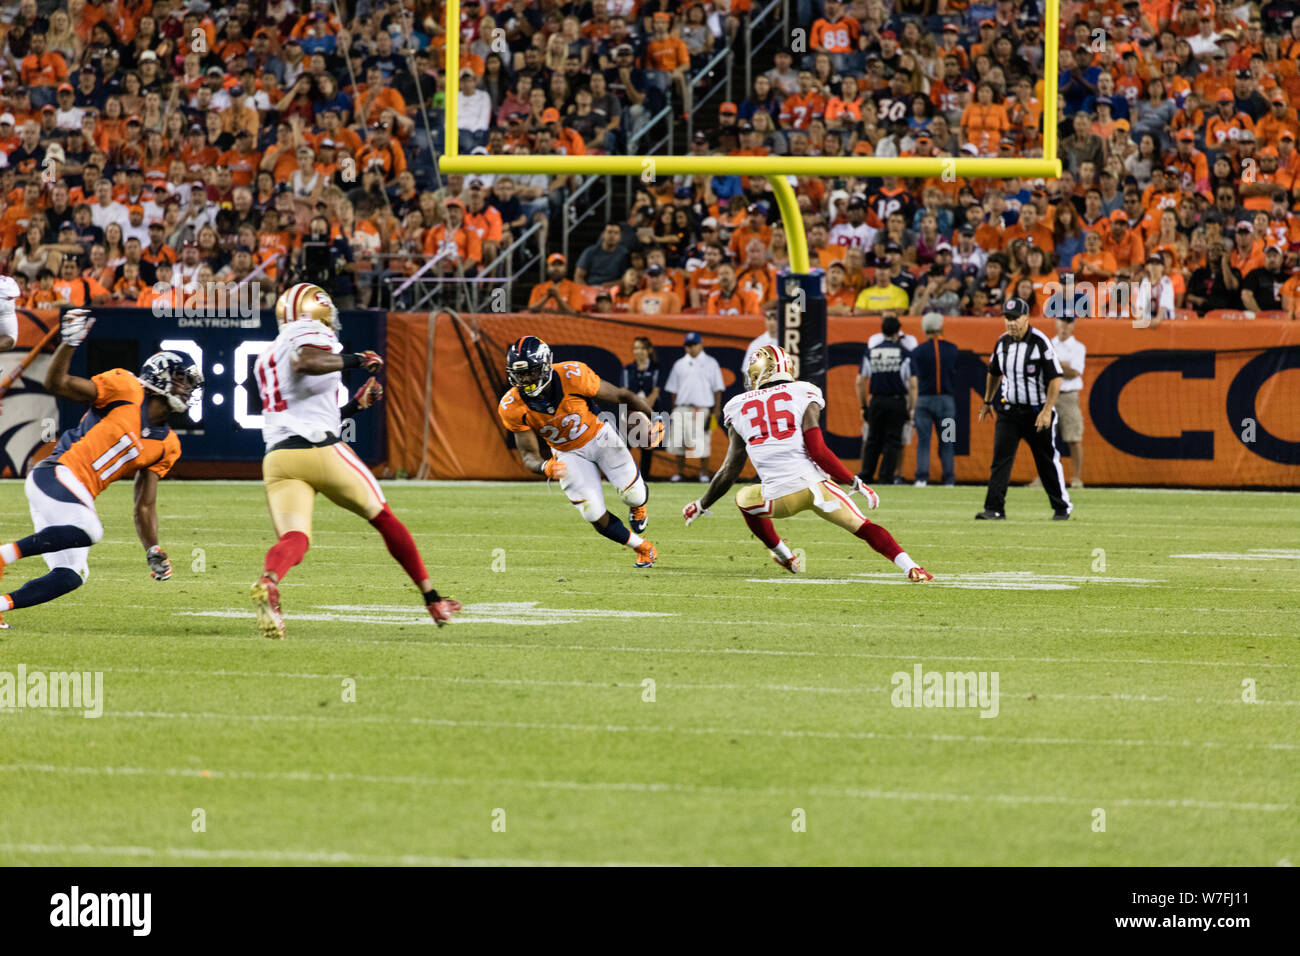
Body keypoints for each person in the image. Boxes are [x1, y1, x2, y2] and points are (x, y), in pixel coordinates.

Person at [250, 283, 462, 638]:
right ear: (312, 312)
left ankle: (269, 581)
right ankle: (433, 600)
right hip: (320, 451)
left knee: (295, 539)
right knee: (384, 518)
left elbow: (306, 406)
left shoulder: (266, 354)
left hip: (279, 458)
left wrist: (354, 407)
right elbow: (305, 361)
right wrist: (358, 360)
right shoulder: (309, 332)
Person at [0, 310, 200, 626]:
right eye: (181, 379)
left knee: (73, 574)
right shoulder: (126, 388)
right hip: (55, 473)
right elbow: (57, 383)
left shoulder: (168, 444)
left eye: (189, 383)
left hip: (74, 495)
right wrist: (69, 342)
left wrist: (154, 548)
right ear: (159, 374)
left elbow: (144, 506)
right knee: (91, 529)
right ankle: (2, 556)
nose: (187, 389)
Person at [681, 344, 931, 582]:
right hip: (816, 488)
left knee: (744, 498)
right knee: (863, 526)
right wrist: (854, 481)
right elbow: (818, 451)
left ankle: (784, 555)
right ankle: (912, 568)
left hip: (778, 499)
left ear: (760, 372)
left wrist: (701, 505)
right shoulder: (804, 391)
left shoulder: (736, 406)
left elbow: (730, 470)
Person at [498, 335, 661, 567]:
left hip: (598, 436)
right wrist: (545, 466)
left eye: (531, 371)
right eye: (520, 374)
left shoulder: (572, 375)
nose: (526, 379)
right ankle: (642, 547)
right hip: (567, 453)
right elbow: (528, 455)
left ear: (545, 365)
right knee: (592, 513)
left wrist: (654, 420)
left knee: (633, 495)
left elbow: (623, 396)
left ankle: (638, 505)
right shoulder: (512, 406)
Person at [975, 298, 1072, 520]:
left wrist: (1047, 410)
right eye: (1007, 318)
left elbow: (1055, 378)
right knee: (1000, 460)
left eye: (1015, 318)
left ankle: (1061, 507)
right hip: (1008, 411)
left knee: (1045, 460)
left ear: (1026, 318)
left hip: (1036, 411)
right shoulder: (1002, 343)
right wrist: (988, 401)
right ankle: (994, 509)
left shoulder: (1040, 342)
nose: (1010, 323)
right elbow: (993, 371)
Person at [857, 315, 912, 484]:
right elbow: (913, 383)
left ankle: (866, 475)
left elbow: (860, 381)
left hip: (877, 400)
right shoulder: (904, 353)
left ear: (882, 331)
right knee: (893, 440)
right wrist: (910, 407)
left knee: (873, 439)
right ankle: (886, 477)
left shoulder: (871, 351)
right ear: (897, 333)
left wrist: (864, 406)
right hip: (897, 400)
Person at [664, 331, 724, 483]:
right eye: (688, 345)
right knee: (679, 442)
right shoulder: (679, 364)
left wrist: (716, 410)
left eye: (694, 344)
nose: (691, 348)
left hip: (702, 408)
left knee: (702, 442)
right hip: (682, 407)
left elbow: (718, 389)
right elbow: (673, 390)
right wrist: (675, 408)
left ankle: (703, 474)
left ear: (701, 344)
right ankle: (679, 473)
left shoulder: (711, 363)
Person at [910, 312, 959, 487]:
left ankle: (922, 478)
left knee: (923, 441)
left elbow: (913, 379)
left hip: (923, 401)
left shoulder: (917, 352)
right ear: (940, 327)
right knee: (947, 440)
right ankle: (949, 479)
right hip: (947, 402)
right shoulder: (952, 349)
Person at [1051, 315, 1087, 488]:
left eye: (1068, 322)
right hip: (1049, 395)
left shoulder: (1078, 347)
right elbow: (1043, 370)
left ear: (1073, 325)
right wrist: (1063, 365)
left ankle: (1077, 478)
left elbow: (1074, 372)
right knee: (1044, 439)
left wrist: (1055, 364)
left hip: (1068, 395)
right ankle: (1044, 477)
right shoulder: (1048, 344)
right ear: (1056, 322)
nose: (1064, 325)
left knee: (1074, 438)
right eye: (1061, 321)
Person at [622, 336, 662, 477]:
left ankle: (645, 477)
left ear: (648, 350)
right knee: (625, 446)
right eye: (636, 348)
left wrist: (645, 408)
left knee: (648, 446)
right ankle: (625, 476)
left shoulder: (656, 368)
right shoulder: (628, 369)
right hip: (631, 413)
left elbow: (655, 392)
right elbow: (625, 393)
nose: (639, 351)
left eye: (642, 348)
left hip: (650, 412)